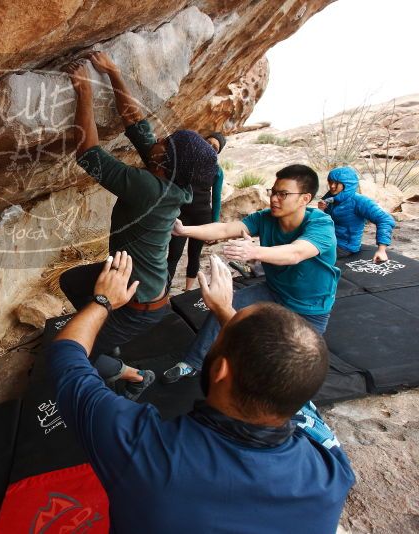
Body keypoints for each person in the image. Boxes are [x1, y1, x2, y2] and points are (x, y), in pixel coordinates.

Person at [49, 251, 355, 533]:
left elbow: (65, 359)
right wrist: (225, 312)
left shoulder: (145, 452)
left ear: (221, 371)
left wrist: (102, 301)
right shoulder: (332, 472)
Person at [58, 51, 216, 400]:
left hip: (139, 304)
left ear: (164, 159)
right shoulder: (172, 175)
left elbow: (88, 153)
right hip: (138, 284)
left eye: (165, 143)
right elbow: (136, 123)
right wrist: (113, 72)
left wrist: (83, 90)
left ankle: (135, 375)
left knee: (75, 349)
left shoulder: (150, 189)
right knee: (70, 281)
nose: (158, 140)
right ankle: (109, 339)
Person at [163, 164, 340, 383]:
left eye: (283, 194)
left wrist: (254, 251)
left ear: (305, 198)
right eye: (273, 192)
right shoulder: (266, 218)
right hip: (273, 291)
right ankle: (192, 363)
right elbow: (226, 229)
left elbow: (296, 252)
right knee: (223, 305)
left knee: (292, 368)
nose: (274, 199)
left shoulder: (321, 225)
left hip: (310, 307)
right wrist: (184, 231)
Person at [166, 131, 225, 290]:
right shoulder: (187, 160)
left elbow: (217, 198)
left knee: (194, 255)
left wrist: (215, 225)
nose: (211, 147)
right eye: (209, 142)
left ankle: (187, 290)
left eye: (215, 147)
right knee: (174, 254)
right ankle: (165, 291)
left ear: (218, 152)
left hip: (202, 217)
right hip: (182, 215)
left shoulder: (217, 171)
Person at [319, 166, 396, 262]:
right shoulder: (330, 198)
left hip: (345, 246)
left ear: (347, 184)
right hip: (329, 239)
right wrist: (322, 210)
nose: (332, 186)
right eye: (330, 182)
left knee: (309, 257)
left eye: (337, 183)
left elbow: (385, 219)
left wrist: (381, 250)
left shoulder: (359, 201)